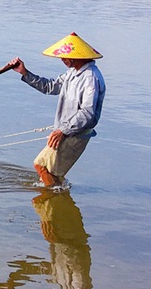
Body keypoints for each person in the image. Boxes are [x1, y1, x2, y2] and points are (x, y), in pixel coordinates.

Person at [10, 33, 105, 188]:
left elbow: (87, 113)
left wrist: (62, 130)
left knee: (42, 166)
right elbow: (50, 87)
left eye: (65, 56)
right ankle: (55, 200)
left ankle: (52, 196)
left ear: (76, 56)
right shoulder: (72, 73)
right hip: (65, 132)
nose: (62, 59)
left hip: (75, 134)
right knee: (51, 172)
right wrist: (24, 73)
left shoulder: (90, 78)